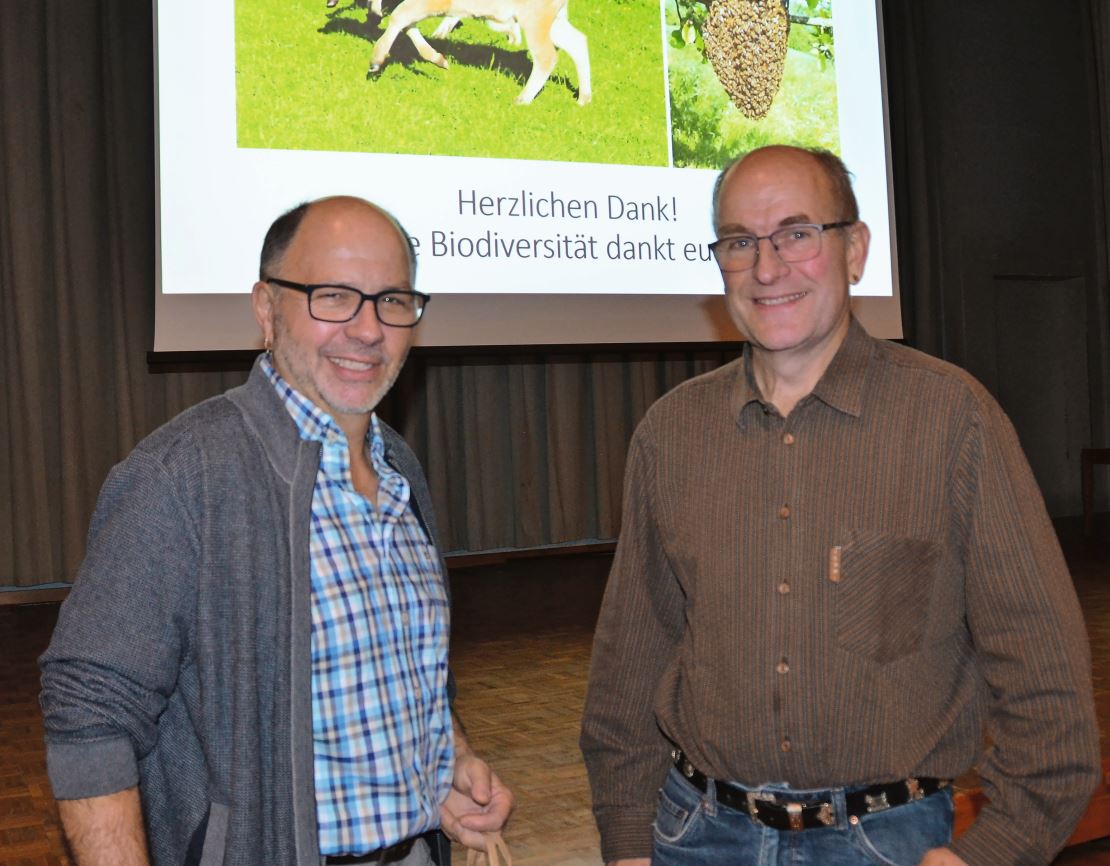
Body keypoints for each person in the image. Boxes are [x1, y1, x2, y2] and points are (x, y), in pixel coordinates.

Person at [579, 145, 1100, 866]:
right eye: (739, 243)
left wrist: (998, 848)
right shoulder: (670, 435)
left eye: (796, 234)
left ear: (854, 250)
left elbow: (1043, 670)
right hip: (695, 837)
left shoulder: (954, 420)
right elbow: (630, 663)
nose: (766, 269)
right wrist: (630, 837)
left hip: (890, 844)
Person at [39, 195, 512, 866]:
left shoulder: (399, 468)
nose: (369, 329)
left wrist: (449, 764)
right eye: (334, 296)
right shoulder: (179, 479)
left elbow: (400, 677)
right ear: (266, 309)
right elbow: (88, 713)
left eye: (393, 301)